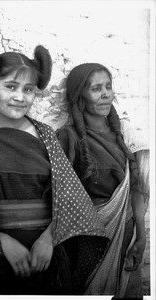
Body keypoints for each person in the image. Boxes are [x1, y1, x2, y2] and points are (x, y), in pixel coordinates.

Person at [0, 39, 109, 296]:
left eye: (28, 90)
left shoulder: (45, 135)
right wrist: (0, 242)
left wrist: (49, 239)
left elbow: (70, 198)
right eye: (10, 86)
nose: (19, 97)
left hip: (46, 260)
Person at [56, 63, 149, 298]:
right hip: (88, 239)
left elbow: (137, 189)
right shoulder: (69, 137)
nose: (106, 93)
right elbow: (61, 194)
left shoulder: (124, 135)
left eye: (108, 86)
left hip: (126, 232)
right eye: (96, 88)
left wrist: (141, 236)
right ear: (80, 96)